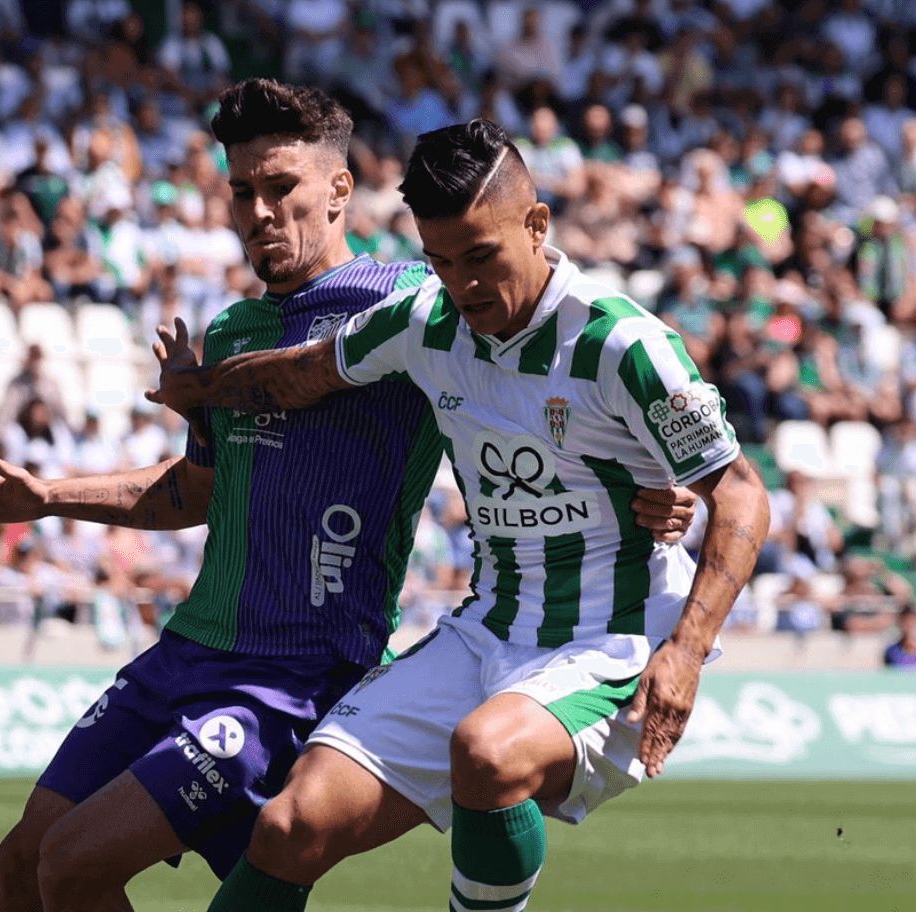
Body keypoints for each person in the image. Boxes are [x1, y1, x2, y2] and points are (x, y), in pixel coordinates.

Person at [0, 81, 693, 912]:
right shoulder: (233, 332)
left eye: (280, 186)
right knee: (23, 861)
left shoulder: (419, 304)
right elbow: (196, 492)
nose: (259, 211)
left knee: (74, 864)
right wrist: (49, 496)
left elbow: (529, 373)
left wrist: (649, 484)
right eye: (241, 191)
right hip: (187, 649)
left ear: (339, 189)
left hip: (294, 677)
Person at [152, 119, 769, 912]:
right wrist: (202, 390)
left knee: (486, 752)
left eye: (480, 257)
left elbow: (741, 493)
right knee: (289, 825)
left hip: (611, 642)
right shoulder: (424, 321)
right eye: (441, 262)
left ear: (537, 224)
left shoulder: (622, 343)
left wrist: (686, 651)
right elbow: (305, 373)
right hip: (486, 630)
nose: (463, 285)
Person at [882, 604, 916, 669]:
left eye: (912, 621)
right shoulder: (891, 652)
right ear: (899, 624)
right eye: (906, 622)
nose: (910, 626)